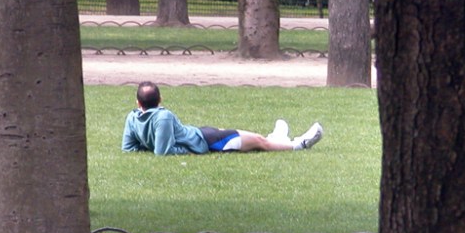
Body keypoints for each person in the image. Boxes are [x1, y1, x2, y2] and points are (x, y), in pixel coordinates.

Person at [121, 81, 323, 155]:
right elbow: (163, 152)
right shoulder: (163, 117)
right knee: (258, 142)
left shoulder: (132, 117)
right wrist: (190, 151)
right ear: (160, 99)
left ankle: (277, 138)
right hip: (205, 142)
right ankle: (299, 145)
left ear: (138, 103)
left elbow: (128, 148)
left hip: (201, 133)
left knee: (246, 136)